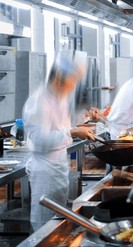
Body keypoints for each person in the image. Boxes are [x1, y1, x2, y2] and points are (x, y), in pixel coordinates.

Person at [22, 53, 96, 231]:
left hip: (59, 167)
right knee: (43, 223)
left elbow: (61, 126)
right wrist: (71, 131)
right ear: (58, 79)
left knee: (57, 221)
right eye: (72, 81)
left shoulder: (60, 97)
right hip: (45, 172)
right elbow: (39, 140)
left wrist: (82, 119)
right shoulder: (39, 101)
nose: (74, 86)